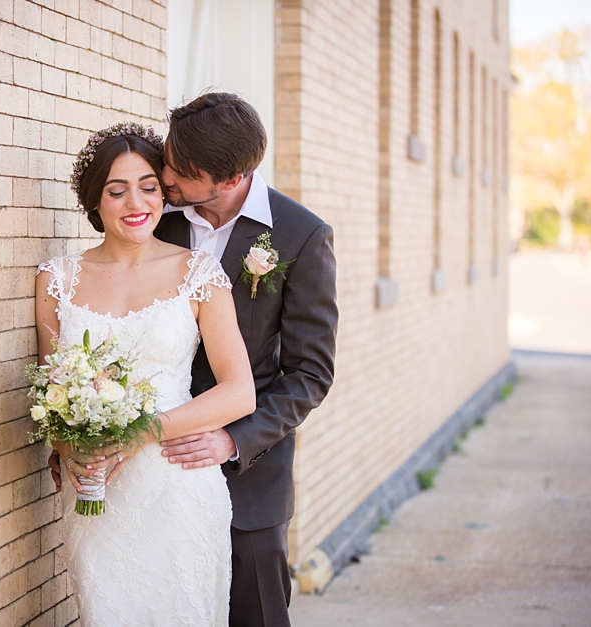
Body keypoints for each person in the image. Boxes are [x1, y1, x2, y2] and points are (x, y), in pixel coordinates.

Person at [35, 122, 255, 625]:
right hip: (97, 492)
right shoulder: (56, 280)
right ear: (95, 202)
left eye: (149, 187)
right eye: (117, 190)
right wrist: (70, 447)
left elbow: (240, 392)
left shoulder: (198, 273)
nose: (136, 201)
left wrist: (142, 432)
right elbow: (51, 393)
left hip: (178, 485)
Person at [154, 92, 338, 627]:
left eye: (180, 172)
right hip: (153, 458)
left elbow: (310, 373)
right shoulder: (157, 217)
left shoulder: (301, 236)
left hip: (248, 472)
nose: (165, 177)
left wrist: (234, 439)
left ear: (230, 179)